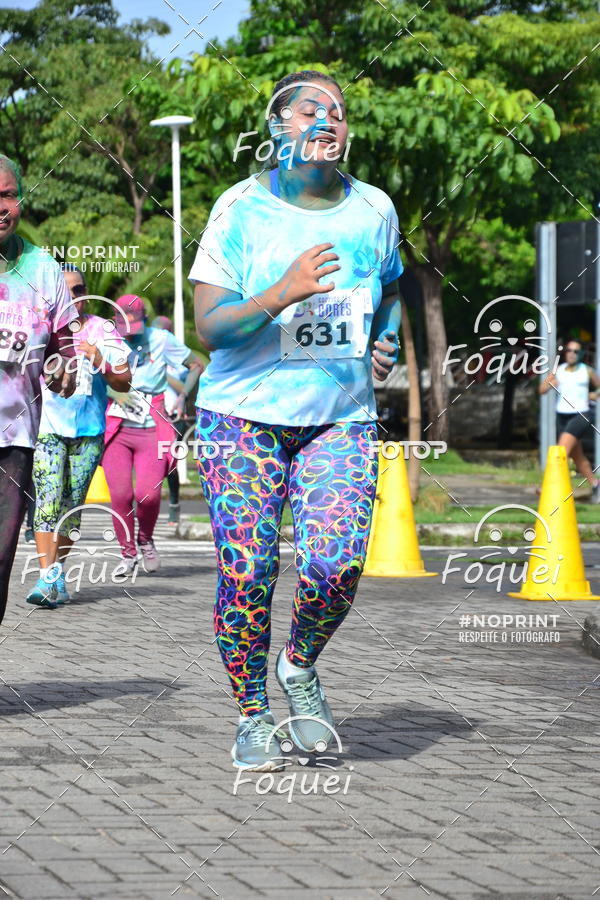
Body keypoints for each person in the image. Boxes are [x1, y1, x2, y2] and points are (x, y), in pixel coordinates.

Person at [190, 70, 402, 770]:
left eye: (337, 111)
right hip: (241, 418)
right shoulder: (239, 209)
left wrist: (387, 339)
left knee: (337, 565)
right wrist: (283, 292)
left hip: (340, 419)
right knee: (249, 571)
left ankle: (299, 665)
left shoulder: (374, 209)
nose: (326, 120)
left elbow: (391, 289)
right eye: (310, 109)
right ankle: (253, 715)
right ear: (276, 128)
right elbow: (210, 328)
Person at [0, 154, 77, 625]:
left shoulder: (44, 268)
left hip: (14, 441)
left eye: (7, 195)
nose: (0, 206)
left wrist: (63, 368)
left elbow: (63, 346)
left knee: (0, 559)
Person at [27, 264, 132, 608]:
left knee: (72, 507)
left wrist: (101, 360)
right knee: (48, 499)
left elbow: (124, 382)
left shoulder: (102, 329)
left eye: (80, 290)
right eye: (67, 290)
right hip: (47, 429)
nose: (75, 297)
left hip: (89, 433)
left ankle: (57, 571)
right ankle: (46, 577)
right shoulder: (40, 328)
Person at [103, 295, 197, 572]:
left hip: (153, 427)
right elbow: (94, 375)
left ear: (145, 319)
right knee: (121, 495)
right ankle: (127, 553)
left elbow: (196, 365)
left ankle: (145, 539)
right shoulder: (107, 339)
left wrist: (183, 396)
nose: (130, 334)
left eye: (135, 327)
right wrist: (114, 393)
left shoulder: (162, 339)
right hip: (117, 428)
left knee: (149, 495)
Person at [151, 315, 204, 526]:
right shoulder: (145, 356)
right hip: (150, 417)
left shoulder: (178, 361)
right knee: (151, 464)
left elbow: (184, 388)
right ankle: (149, 508)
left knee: (170, 463)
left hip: (174, 416)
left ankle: (174, 504)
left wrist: (161, 373)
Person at [540, 339, 600, 501]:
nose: (572, 354)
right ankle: (595, 484)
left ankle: (547, 487)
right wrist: (550, 383)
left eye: (576, 351)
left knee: (561, 451)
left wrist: (594, 394)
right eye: (569, 350)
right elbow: (542, 389)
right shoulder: (558, 370)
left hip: (580, 414)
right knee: (577, 456)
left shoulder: (587, 370)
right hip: (562, 416)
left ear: (580, 354)